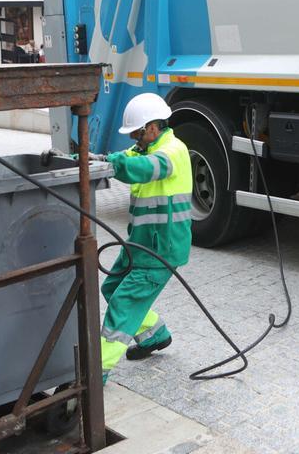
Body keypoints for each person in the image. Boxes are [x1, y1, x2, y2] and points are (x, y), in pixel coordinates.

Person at [95, 92, 193, 384]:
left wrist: (113, 163)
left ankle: (95, 372)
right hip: (140, 242)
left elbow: (141, 169)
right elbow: (119, 160)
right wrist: (80, 160)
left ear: (153, 127)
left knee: (123, 305)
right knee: (112, 288)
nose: (135, 137)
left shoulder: (172, 151)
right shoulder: (143, 148)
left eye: (137, 131)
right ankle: (155, 335)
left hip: (162, 248)